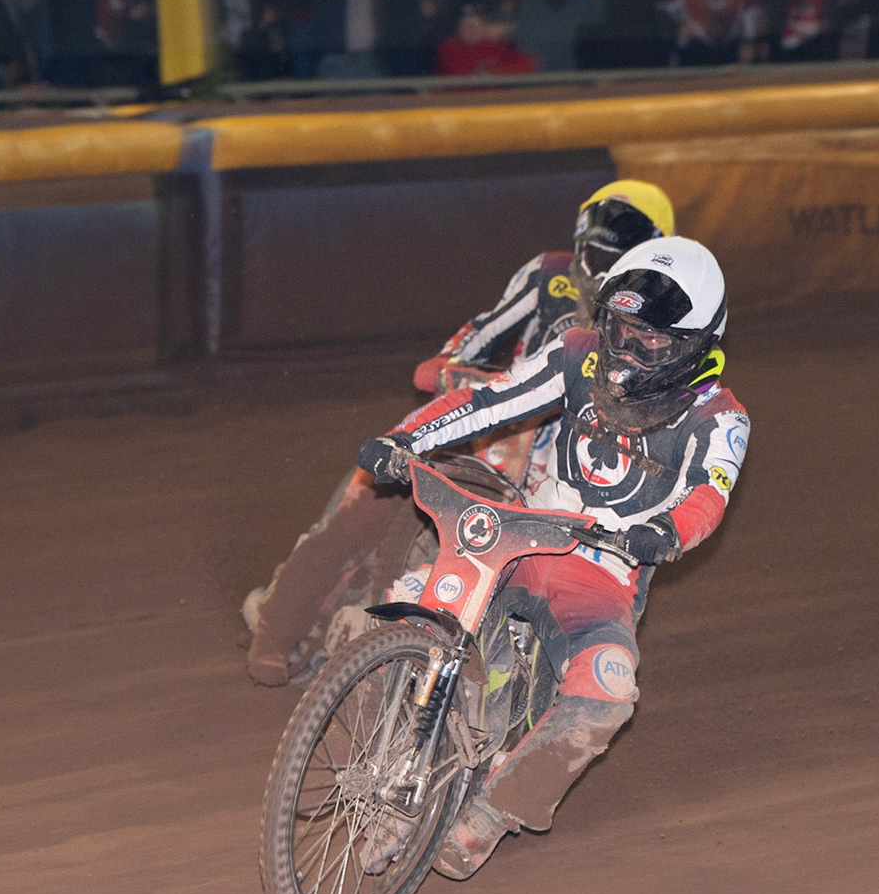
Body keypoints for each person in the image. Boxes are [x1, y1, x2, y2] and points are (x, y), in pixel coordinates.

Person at [355, 235, 750, 879]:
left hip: (603, 571)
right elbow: (491, 401)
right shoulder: (577, 354)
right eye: (619, 328)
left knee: (608, 691)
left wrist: (664, 535)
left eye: (648, 339)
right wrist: (405, 438)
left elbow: (707, 496)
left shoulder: (720, 417)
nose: (624, 350)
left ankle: (488, 816)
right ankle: (393, 765)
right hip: (517, 536)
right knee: (406, 604)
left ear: (695, 345)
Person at [244, 180, 677, 687]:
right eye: (598, 238)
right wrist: (450, 367)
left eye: (621, 244)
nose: (603, 254)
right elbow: (477, 335)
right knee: (370, 496)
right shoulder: (550, 275)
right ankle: (277, 625)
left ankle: (467, 673)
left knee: (534, 579)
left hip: (558, 473)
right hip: (492, 430)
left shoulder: (665, 326)